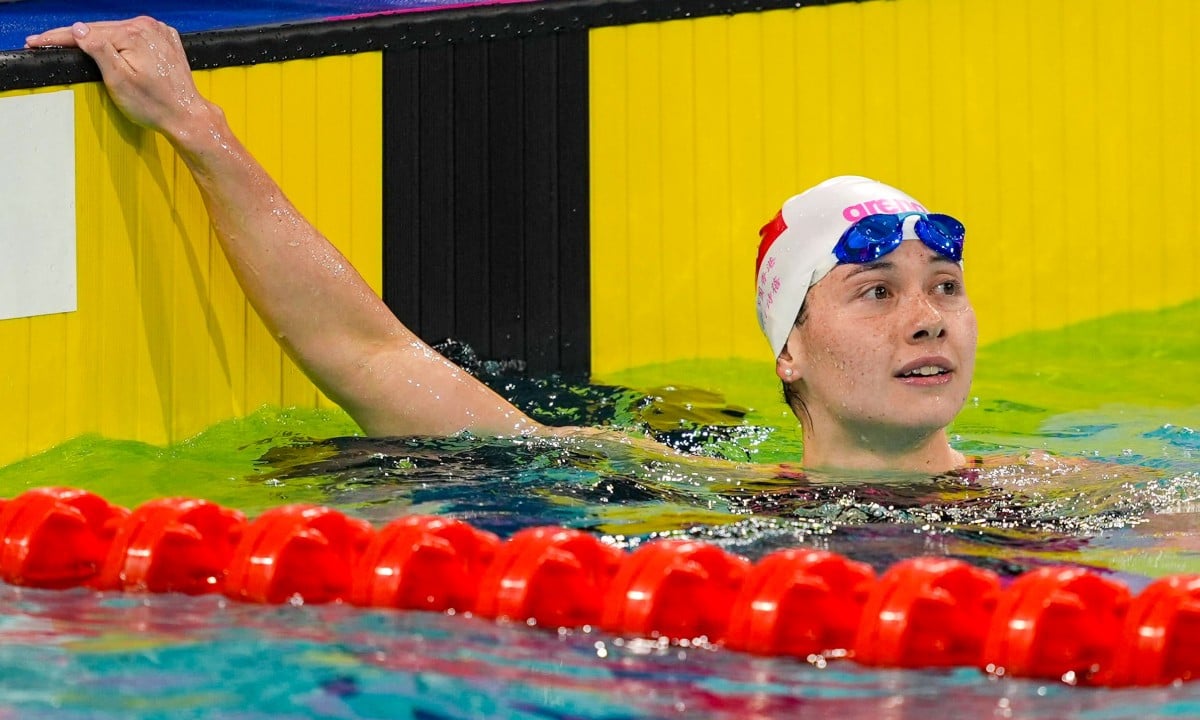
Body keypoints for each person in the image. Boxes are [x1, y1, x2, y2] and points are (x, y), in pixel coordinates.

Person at [25, 17, 977, 478]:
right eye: (877, 291)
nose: (928, 318)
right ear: (789, 350)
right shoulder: (686, 486)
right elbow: (371, 357)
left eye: (944, 287)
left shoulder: (1053, 499)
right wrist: (197, 128)